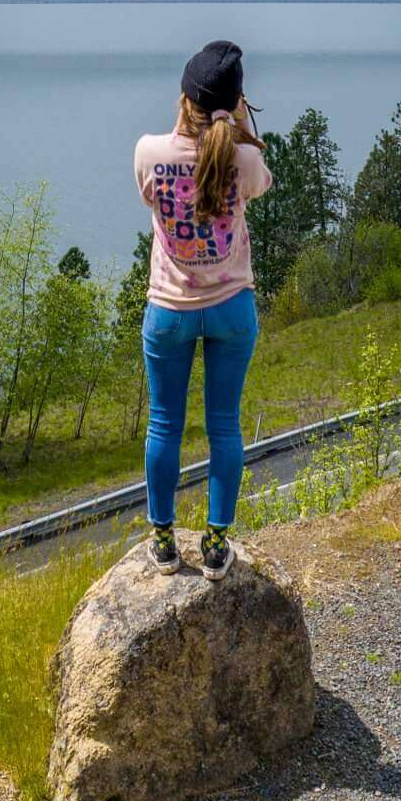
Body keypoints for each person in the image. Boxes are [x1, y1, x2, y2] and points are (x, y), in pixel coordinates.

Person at [133, 38, 271, 578]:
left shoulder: (150, 152)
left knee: (165, 424)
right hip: (232, 308)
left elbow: (150, 196)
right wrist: (240, 124)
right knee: (225, 426)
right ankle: (215, 547)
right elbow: (256, 177)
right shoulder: (244, 158)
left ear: (184, 98)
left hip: (169, 308)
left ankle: (164, 543)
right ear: (235, 103)